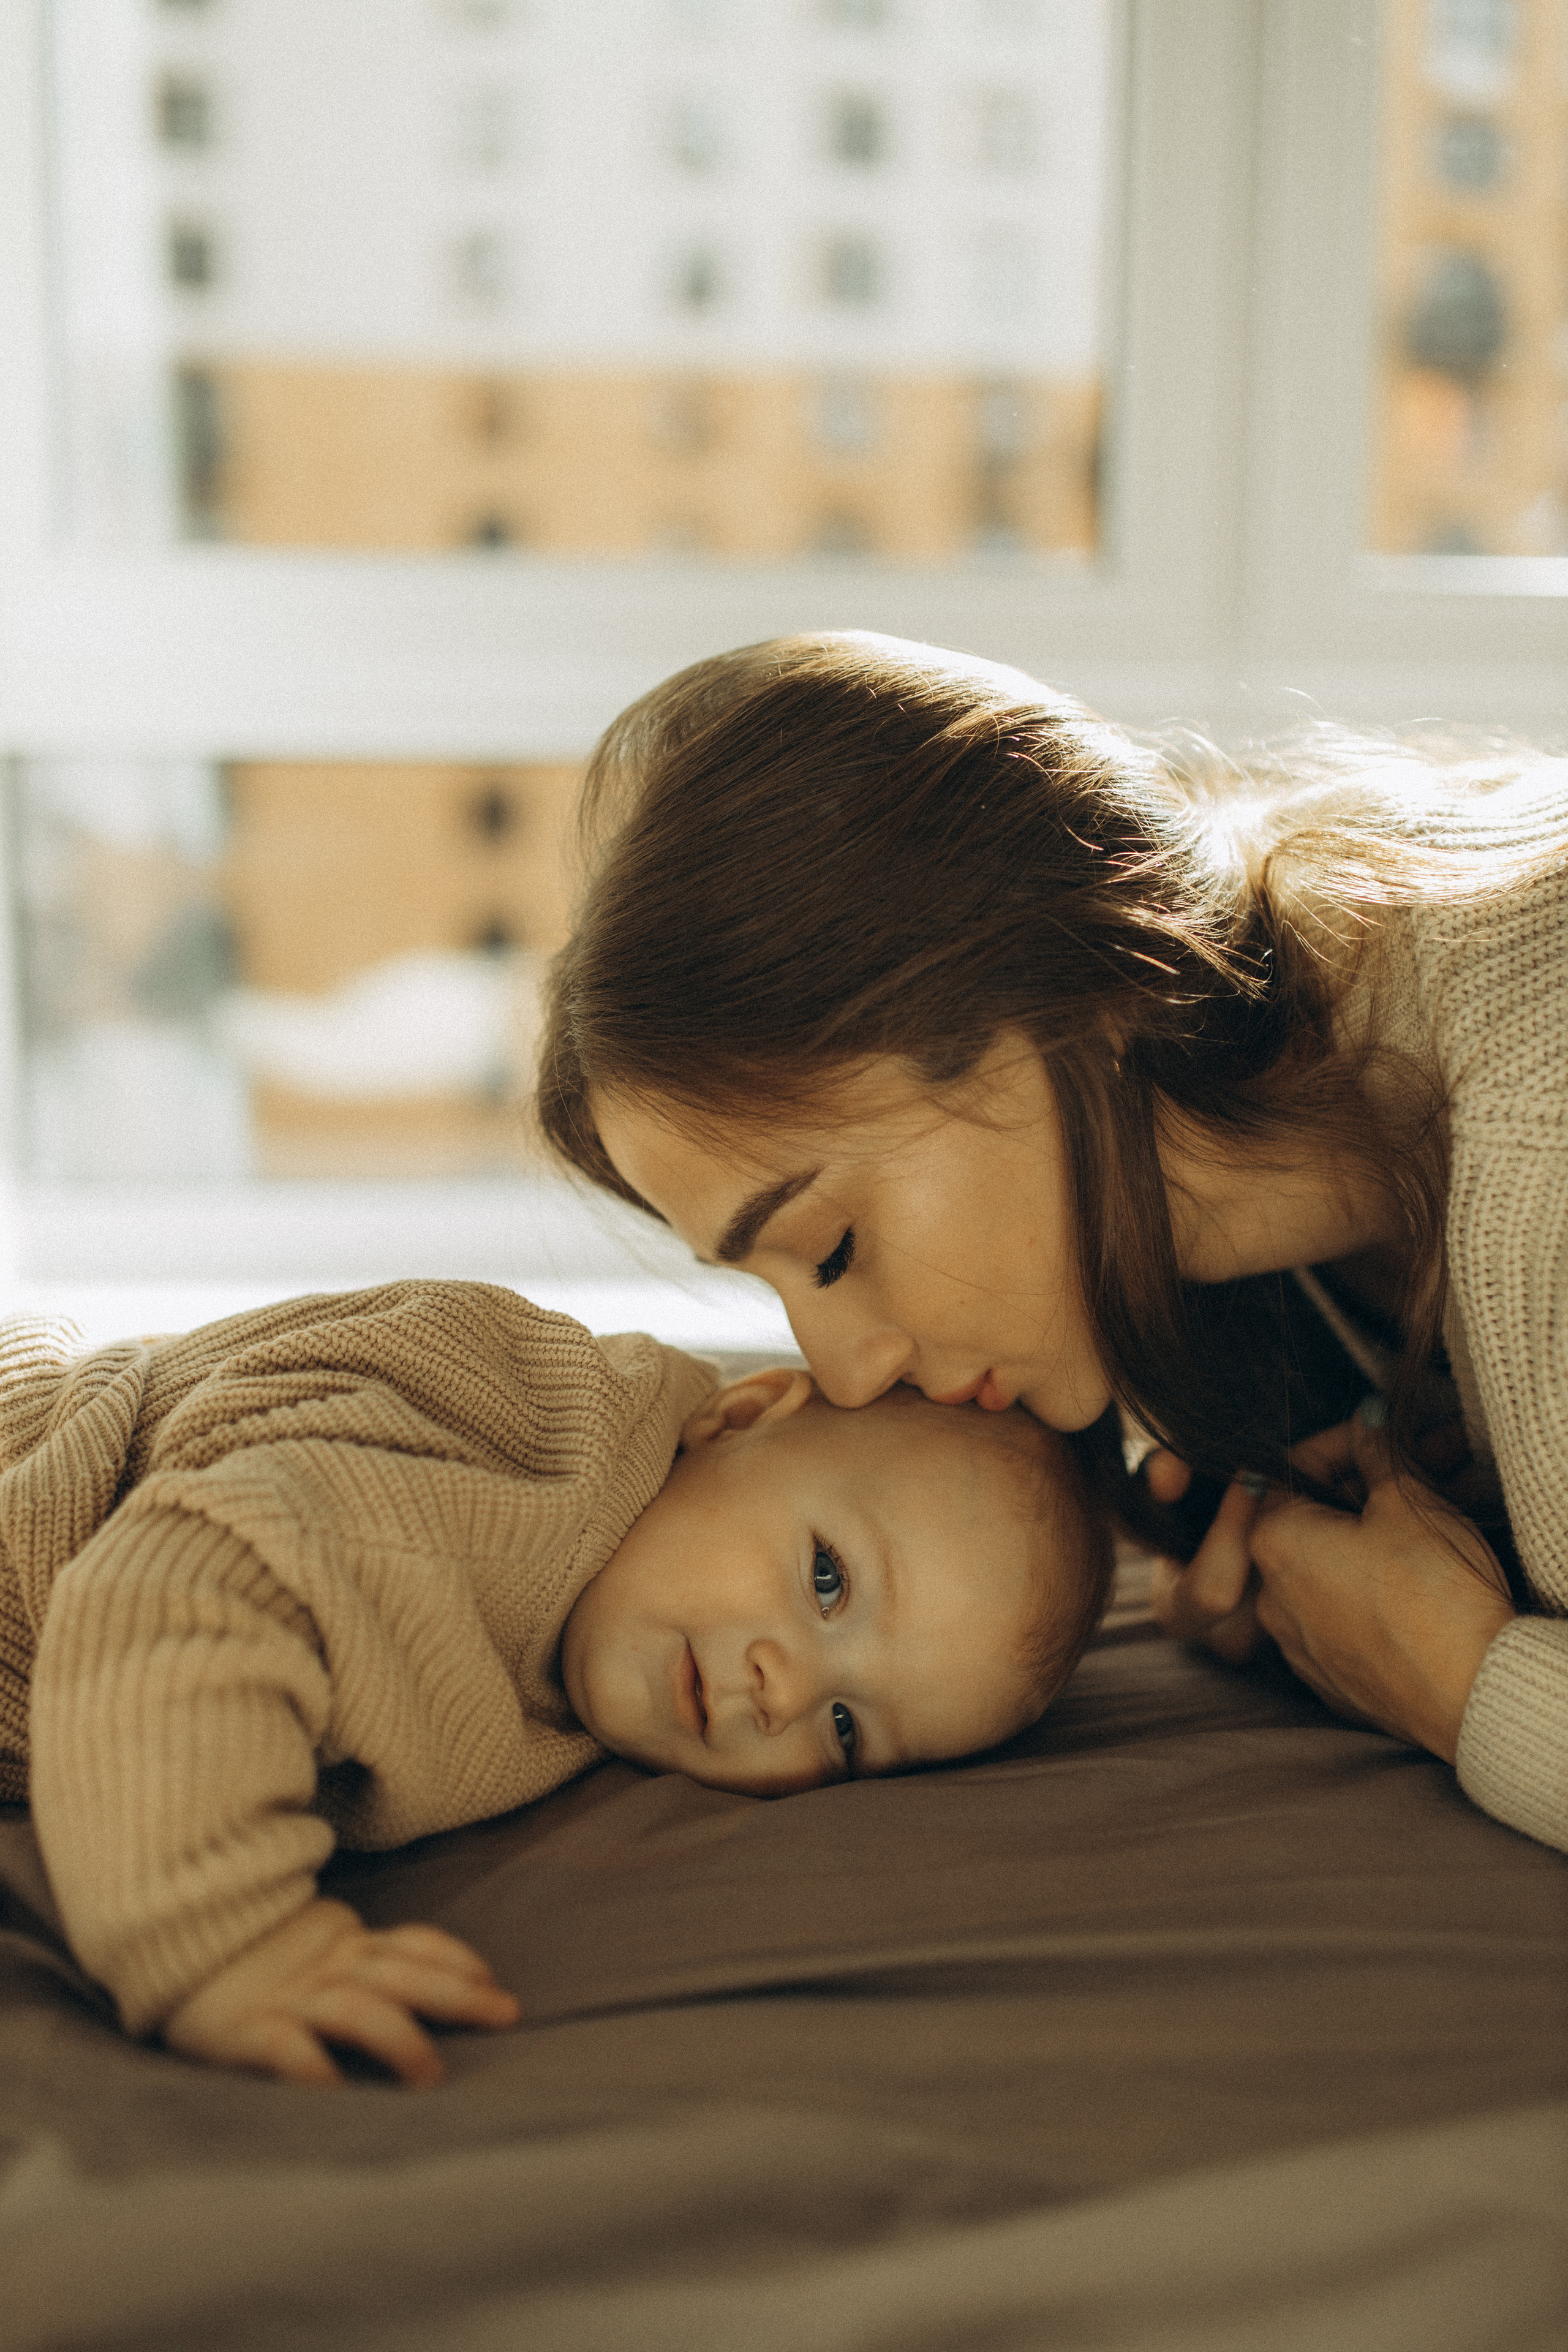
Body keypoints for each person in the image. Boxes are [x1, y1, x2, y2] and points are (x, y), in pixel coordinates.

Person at [536, 628, 1568, 1858]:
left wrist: (1460, 1683)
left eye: (830, 1247)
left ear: (1034, 992)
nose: (848, 1371)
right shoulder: (1295, 1237)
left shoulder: (1540, 1128)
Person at [0, 1280, 1109, 2087]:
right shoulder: (517, 1483)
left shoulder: (611, 1626)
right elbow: (179, 1586)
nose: (783, 1690)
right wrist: (225, 1936)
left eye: (848, 1730)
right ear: (744, 1414)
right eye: (827, 1578)